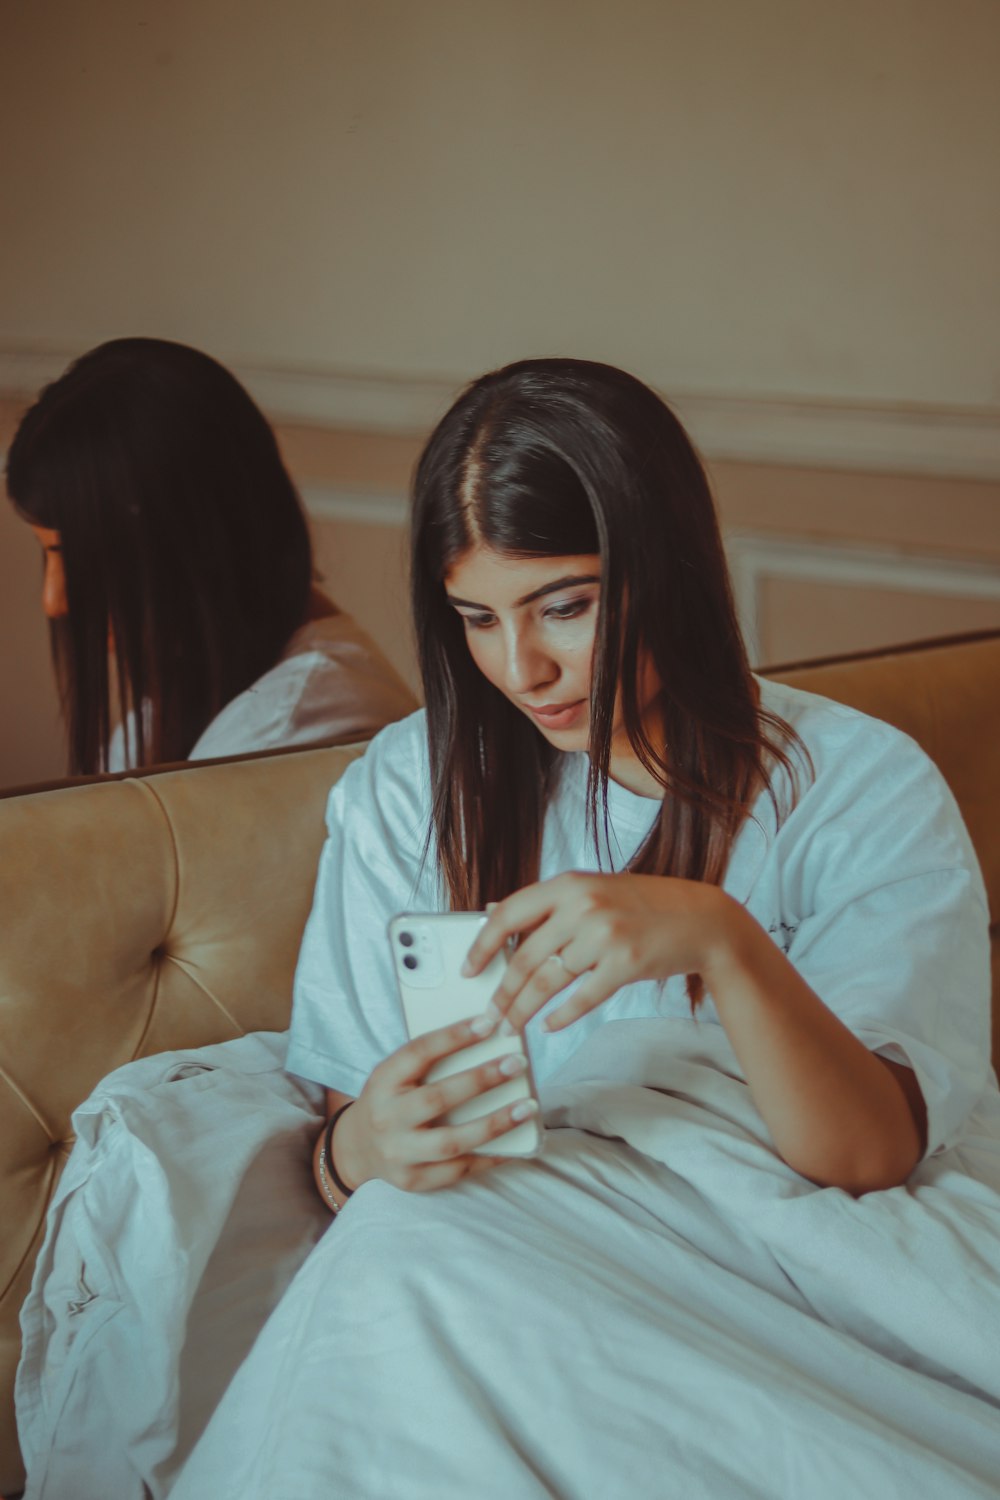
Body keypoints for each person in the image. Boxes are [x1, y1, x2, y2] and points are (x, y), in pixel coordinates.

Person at [171, 359, 999, 1498]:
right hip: (495, 1247)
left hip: (785, 1254)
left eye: (566, 603)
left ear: (667, 570)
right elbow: (352, 1127)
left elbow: (862, 1160)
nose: (525, 668)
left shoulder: (859, 783)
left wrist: (721, 942)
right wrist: (363, 1148)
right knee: (402, 1261)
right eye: (478, 618)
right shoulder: (408, 789)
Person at [5, 337, 416, 774]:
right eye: (47, 553)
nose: (54, 600)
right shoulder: (204, 677)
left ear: (183, 539)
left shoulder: (291, 728)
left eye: (75, 555)